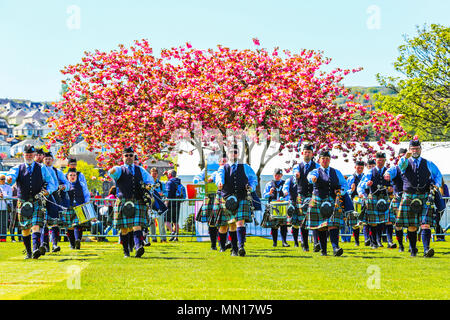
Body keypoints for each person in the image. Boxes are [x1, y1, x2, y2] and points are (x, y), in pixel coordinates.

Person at [385, 140, 443, 257]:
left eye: (417, 148)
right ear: (409, 149)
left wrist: (437, 184)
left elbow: (438, 174)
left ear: (420, 149)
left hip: (424, 195)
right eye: (413, 149)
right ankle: (413, 249)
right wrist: (405, 157)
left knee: (425, 224)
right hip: (408, 196)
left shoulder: (428, 163)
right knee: (411, 225)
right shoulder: (404, 162)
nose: (415, 151)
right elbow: (401, 166)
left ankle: (426, 250)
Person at [6, 145, 56, 259]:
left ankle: (35, 250)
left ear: (34, 155)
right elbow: (10, 178)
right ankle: (29, 253)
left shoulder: (42, 168)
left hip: (37, 200)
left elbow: (51, 182)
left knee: (36, 225)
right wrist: (9, 180)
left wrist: (48, 191)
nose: (29, 156)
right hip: (22, 202)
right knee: (25, 228)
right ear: (23, 155)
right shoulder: (17, 168)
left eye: (31, 155)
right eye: (27, 155)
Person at [108, 147, 154, 258]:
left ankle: (138, 247)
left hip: (137, 200)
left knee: (136, 225)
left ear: (134, 156)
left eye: (131, 155)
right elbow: (112, 172)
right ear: (123, 157)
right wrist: (112, 171)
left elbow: (150, 181)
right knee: (124, 228)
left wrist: (148, 186)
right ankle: (126, 252)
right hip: (123, 201)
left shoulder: (140, 170)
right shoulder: (119, 169)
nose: (129, 157)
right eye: (126, 155)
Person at [213, 144, 258, 257]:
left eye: (235, 152)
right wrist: (219, 183)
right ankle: (231, 248)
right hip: (227, 198)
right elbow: (219, 177)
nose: (233, 154)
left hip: (242, 197)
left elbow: (253, 178)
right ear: (228, 154)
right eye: (231, 152)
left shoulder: (246, 167)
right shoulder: (223, 168)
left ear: (238, 154)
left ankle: (241, 246)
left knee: (240, 222)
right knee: (230, 225)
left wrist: (251, 186)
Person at [306, 150, 348, 257]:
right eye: (323, 158)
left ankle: (335, 248)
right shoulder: (315, 171)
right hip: (318, 200)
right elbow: (310, 177)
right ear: (319, 160)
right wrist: (312, 179)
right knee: (321, 226)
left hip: (332, 201)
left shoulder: (336, 172)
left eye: (327, 159)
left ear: (330, 160)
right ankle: (323, 250)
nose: (325, 160)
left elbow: (344, 184)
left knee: (333, 225)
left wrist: (340, 191)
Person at [358, 152, 396, 249]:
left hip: (385, 198)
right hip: (374, 198)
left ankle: (390, 242)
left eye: (383, 160)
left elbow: (394, 184)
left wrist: (392, 188)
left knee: (388, 221)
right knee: (373, 222)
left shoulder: (389, 171)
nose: (381, 162)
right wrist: (367, 184)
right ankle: (374, 242)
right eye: (379, 160)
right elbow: (362, 184)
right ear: (376, 160)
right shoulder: (370, 172)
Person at [291, 144, 320, 251]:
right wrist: (297, 175)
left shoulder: (317, 166)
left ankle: (316, 243)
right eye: (305, 152)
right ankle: (305, 245)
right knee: (302, 221)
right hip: (301, 195)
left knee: (315, 219)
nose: (307, 154)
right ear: (302, 153)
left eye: (309, 152)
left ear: (312, 154)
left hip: (314, 195)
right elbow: (295, 175)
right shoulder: (297, 166)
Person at [193, 154, 225, 250]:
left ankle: (221, 243)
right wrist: (197, 179)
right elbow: (199, 176)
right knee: (211, 222)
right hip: (210, 197)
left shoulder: (226, 170)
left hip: (222, 196)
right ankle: (213, 244)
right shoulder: (207, 169)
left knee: (222, 222)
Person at [42, 151, 70, 252]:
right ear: (43, 160)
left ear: (52, 160)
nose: (48, 161)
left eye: (49, 159)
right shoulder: (40, 170)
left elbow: (68, 184)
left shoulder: (58, 172)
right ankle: (44, 245)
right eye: (46, 159)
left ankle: (54, 244)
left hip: (55, 198)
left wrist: (64, 186)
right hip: (42, 198)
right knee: (43, 222)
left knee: (54, 222)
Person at [61, 168, 91, 250]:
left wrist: (87, 205)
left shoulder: (82, 185)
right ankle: (72, 244)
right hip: (68, 207)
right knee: (70, 227)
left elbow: (86, 195)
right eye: (71, 175)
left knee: (78, 224)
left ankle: (78, 240)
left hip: (79, 207)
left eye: (74, 175)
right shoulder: (65, 185)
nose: (73, 177)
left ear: (77, 176)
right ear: (67, 176)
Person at [384, 148, 408, 251]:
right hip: (398, 197)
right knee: (398, 223)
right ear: (398, 157)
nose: (403, 158)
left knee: (412, 223)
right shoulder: (395, 169)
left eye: (405, 156)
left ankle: (412, 246)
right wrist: (387, 175)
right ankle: (401, 245)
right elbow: (388, 172)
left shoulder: (412, 168)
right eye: (401, 156)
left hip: (410, 197)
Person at [263, 168, 289, 247]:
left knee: (283, 224)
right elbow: (264, 195)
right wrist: (269, 193)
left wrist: (285, 198)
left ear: (281, 175)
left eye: (279, 175)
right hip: (273, 206)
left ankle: (284, 242)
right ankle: (275, 242)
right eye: (276, 175)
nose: (277, 176)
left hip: (282, 206)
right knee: (274, 225)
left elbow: (288, 195)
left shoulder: (285, 184)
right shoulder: (269, 184)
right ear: (274, 175)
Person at [345, 160, 365, 246]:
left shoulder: (365, 177)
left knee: (365, 221)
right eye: (358, 167)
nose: (360, 169)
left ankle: (368, 240)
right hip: (353, 201)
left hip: (364, 200)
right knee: (354, 222)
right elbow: (346, 191)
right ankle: (357, 241)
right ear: (355, 167)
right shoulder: (350, 178)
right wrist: (351, 190)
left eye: (361, 168)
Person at [165, 170, 186, 242]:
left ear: (170, 174)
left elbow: (168, 194)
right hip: (178, 203)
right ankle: (176, 237)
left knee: (166, 221)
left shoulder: (170, 182)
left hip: (170, 203)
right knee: (175, 222)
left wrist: (166, 203)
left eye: (168, 174)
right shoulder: (178, 182)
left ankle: (172, 232)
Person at [149, 167, 167, 243]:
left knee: (161, 223)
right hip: (151, 205)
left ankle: (163, 238)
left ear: (157, 174)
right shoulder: (148, 183)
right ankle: (153, 238)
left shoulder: (161, 184)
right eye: (153, 173)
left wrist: (162, 194)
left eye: (155, 173)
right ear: (150, 174)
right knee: (151, 222)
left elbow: (166, 193)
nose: (154, 175)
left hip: (159, 205)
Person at [0, 175, 12, 242]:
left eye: (4, 179)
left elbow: (9, 196)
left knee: (4, 224)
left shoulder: (8, 187)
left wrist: (3, 196)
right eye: (2, 179)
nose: (3, 180)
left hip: (5, 208)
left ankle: (3, 238)